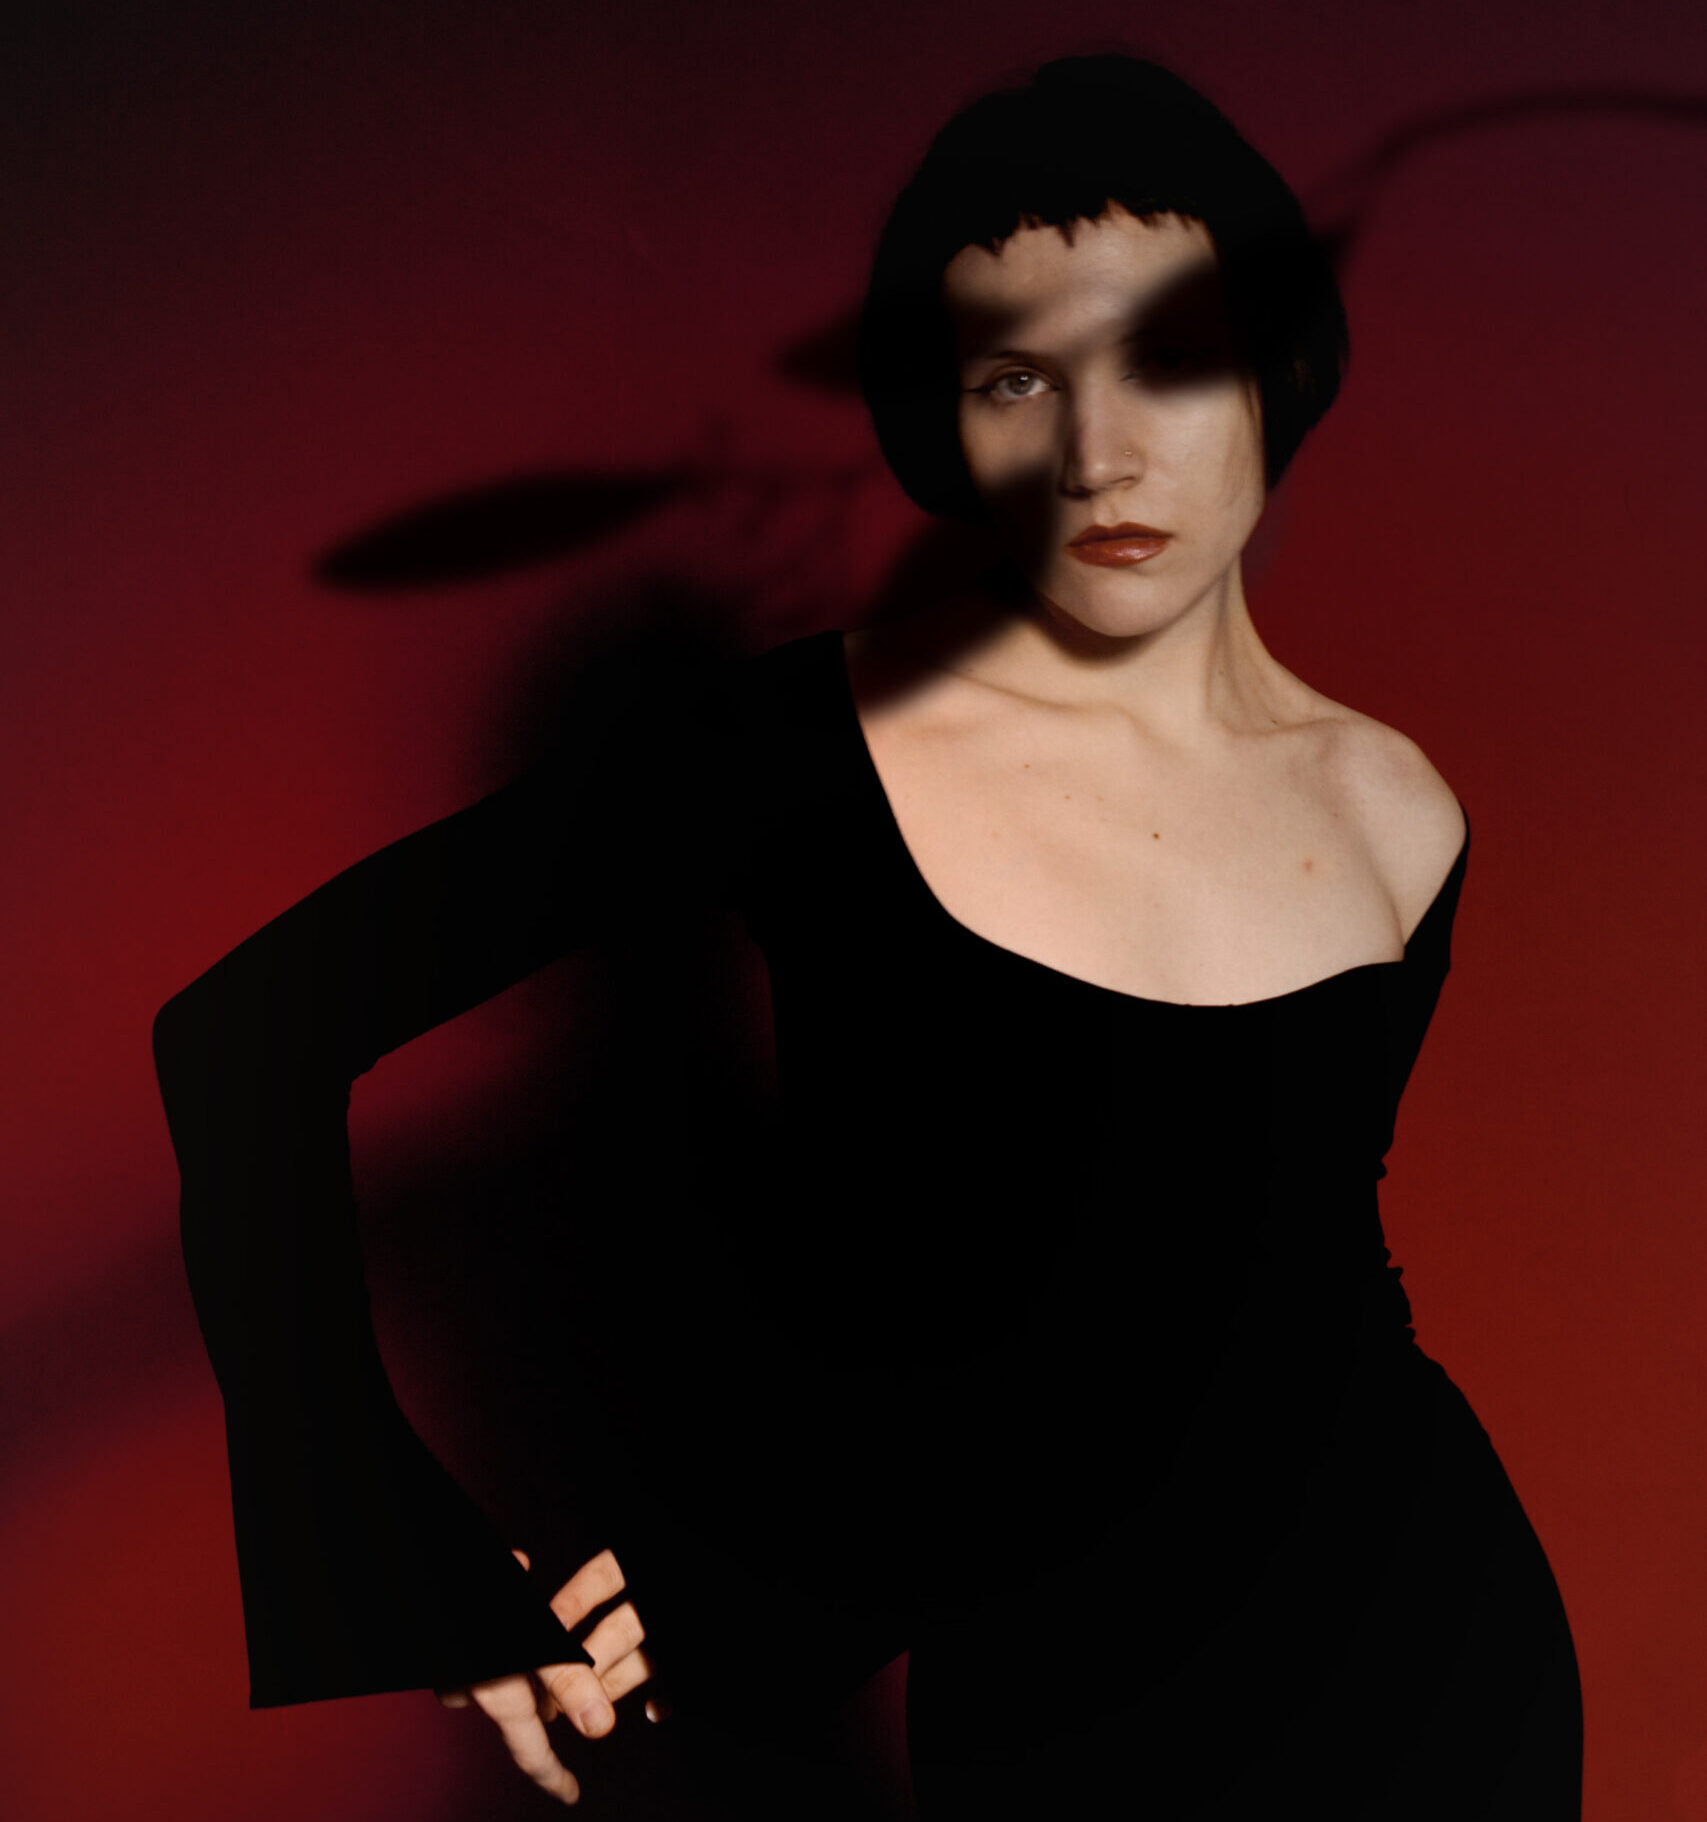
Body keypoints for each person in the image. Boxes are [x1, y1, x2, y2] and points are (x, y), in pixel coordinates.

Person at [153, 53, 1584, 1818]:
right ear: (942, 422)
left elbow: (1211, 1305)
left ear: (1276, 367)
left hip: (1439, 1660)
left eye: (1168, 356)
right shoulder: (798, 755)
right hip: (1071, 1715)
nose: (1099, 451)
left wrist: (780, 1583)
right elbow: (248, 1035)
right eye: (1015, 378)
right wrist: (389, 1551)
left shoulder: (1398, 809)